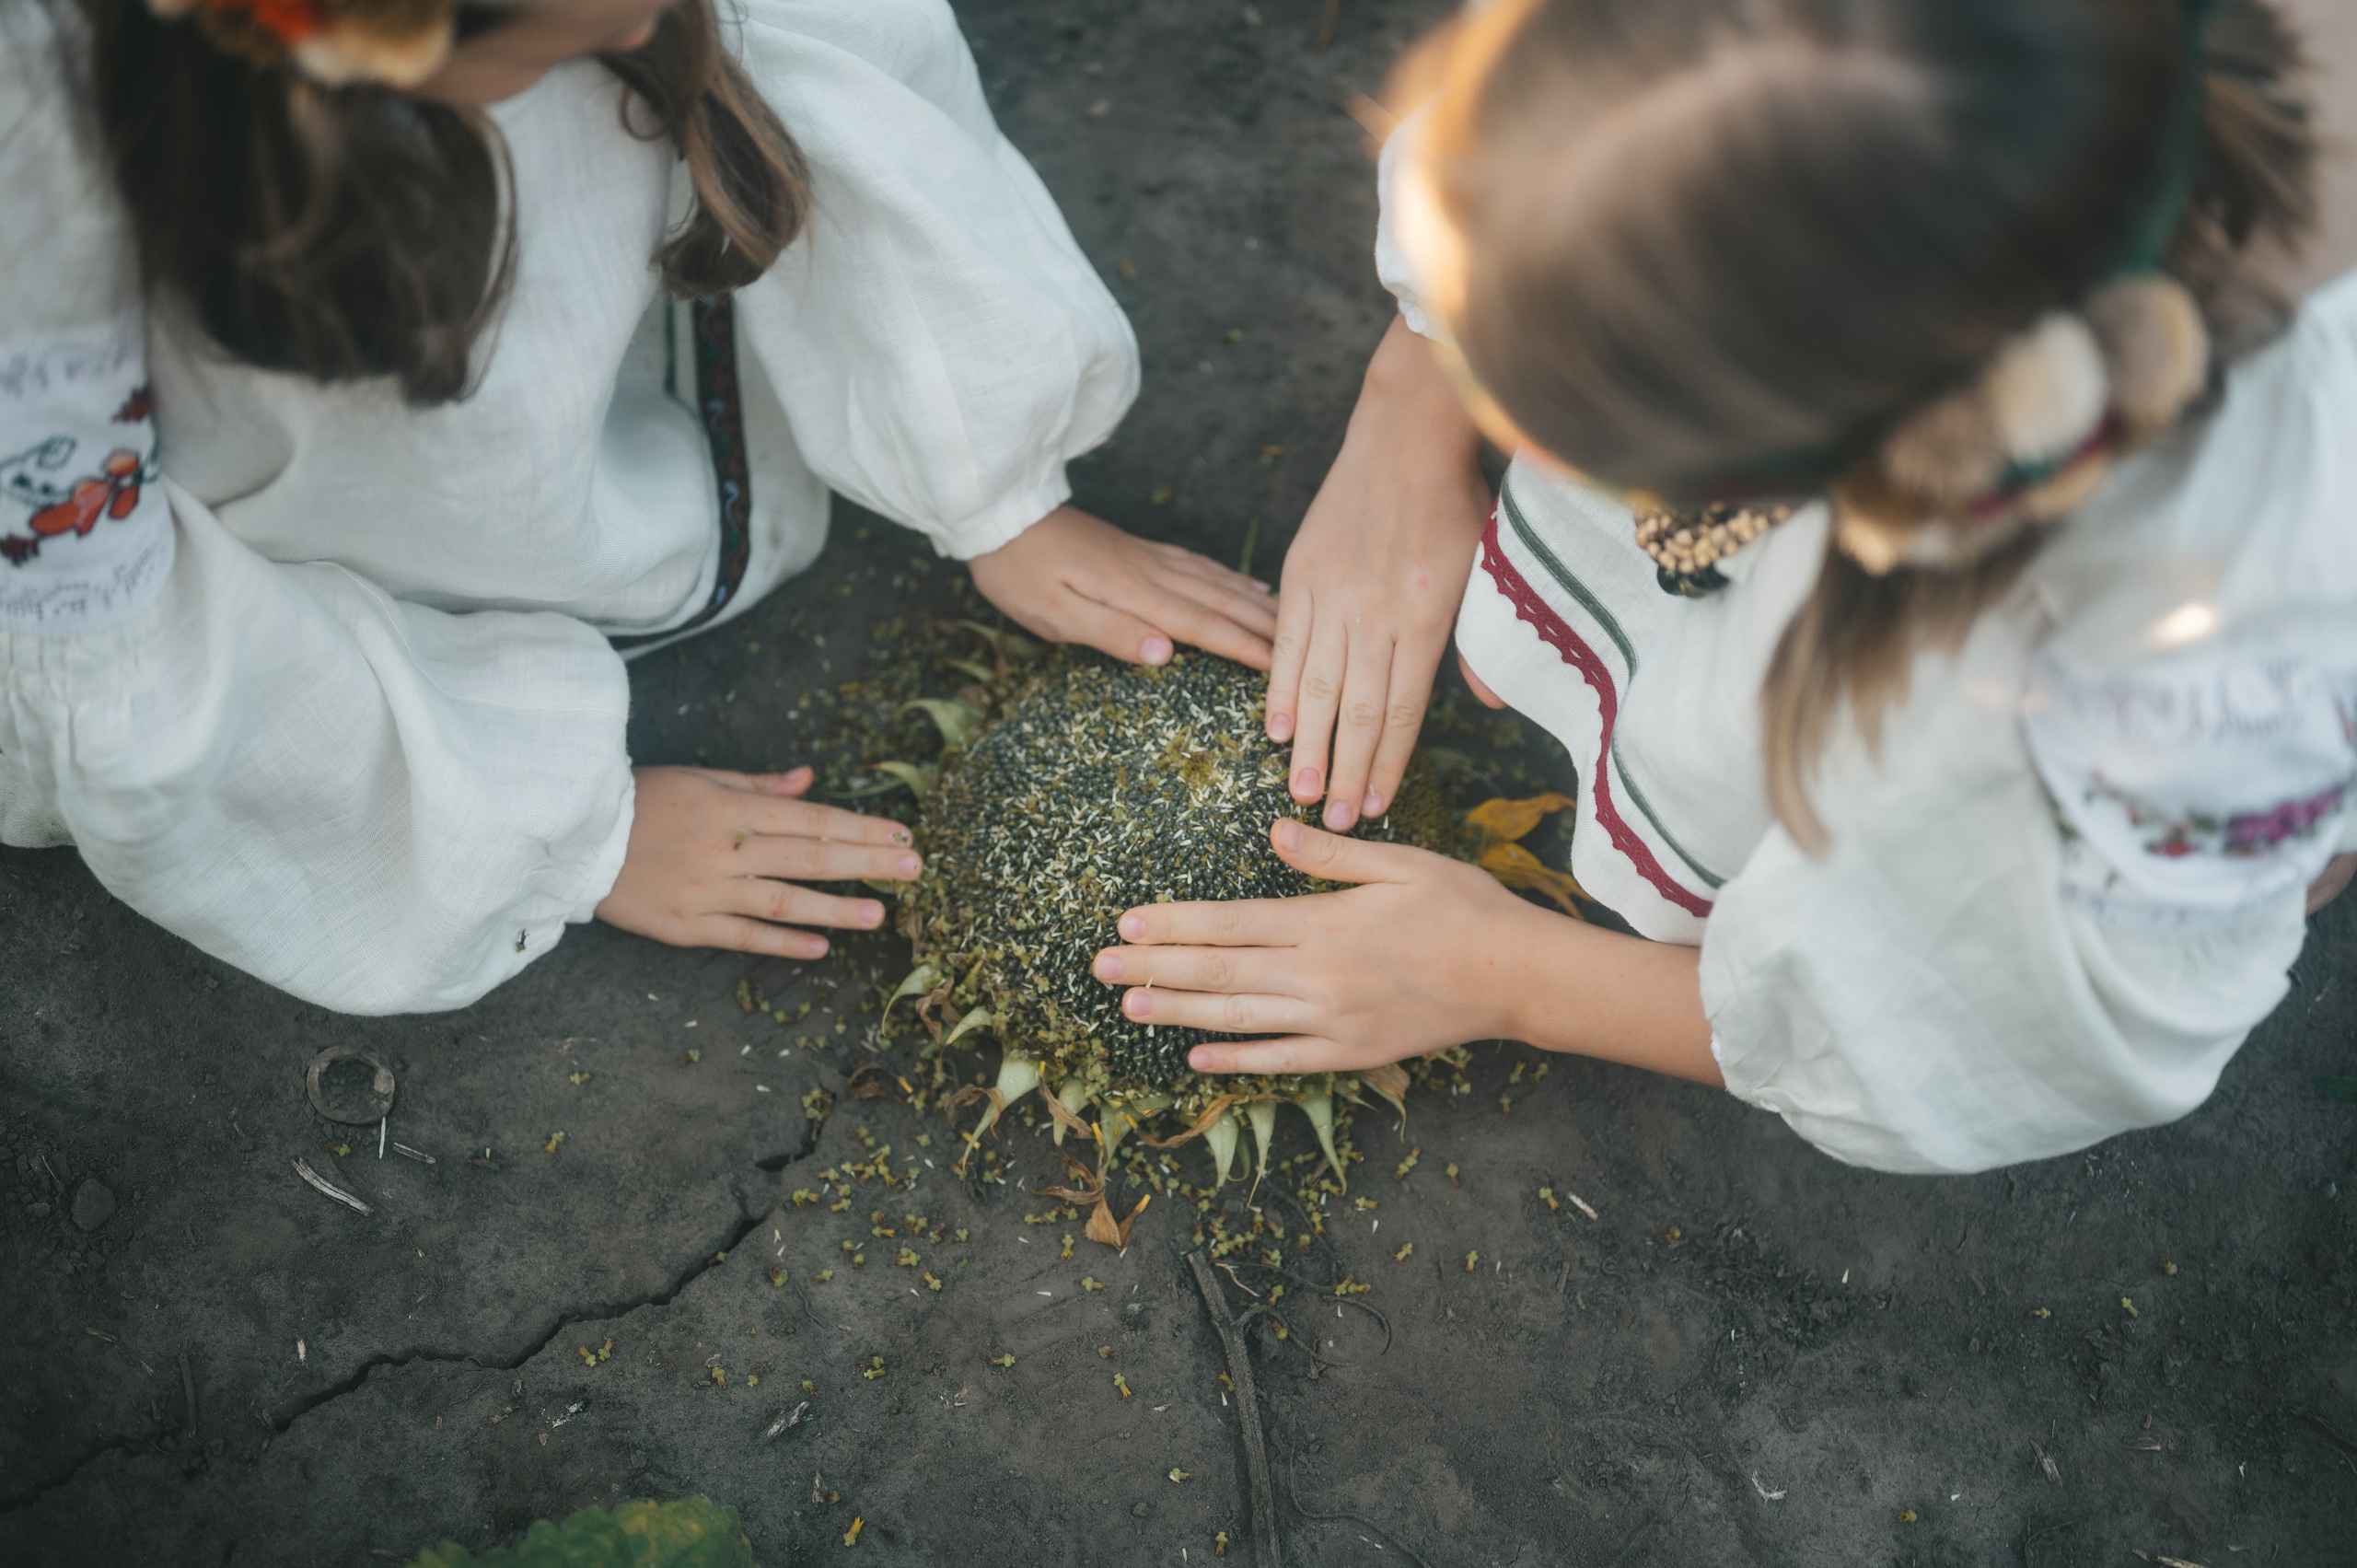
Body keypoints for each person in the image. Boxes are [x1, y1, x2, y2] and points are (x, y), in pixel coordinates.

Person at [1096, 0, 2357, 1174]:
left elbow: (2048, 1036)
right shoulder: (1873, 123)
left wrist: (1503, 973)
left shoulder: (2168, 675)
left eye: (1547, 413)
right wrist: (1407, 411)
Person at [0, 0, 1275, 1011]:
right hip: (260, 513)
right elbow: (107, 645)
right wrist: (544, 829)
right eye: (566, 34)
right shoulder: (40, 192)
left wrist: (993, 472)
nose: (633, 34)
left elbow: (828, 51)